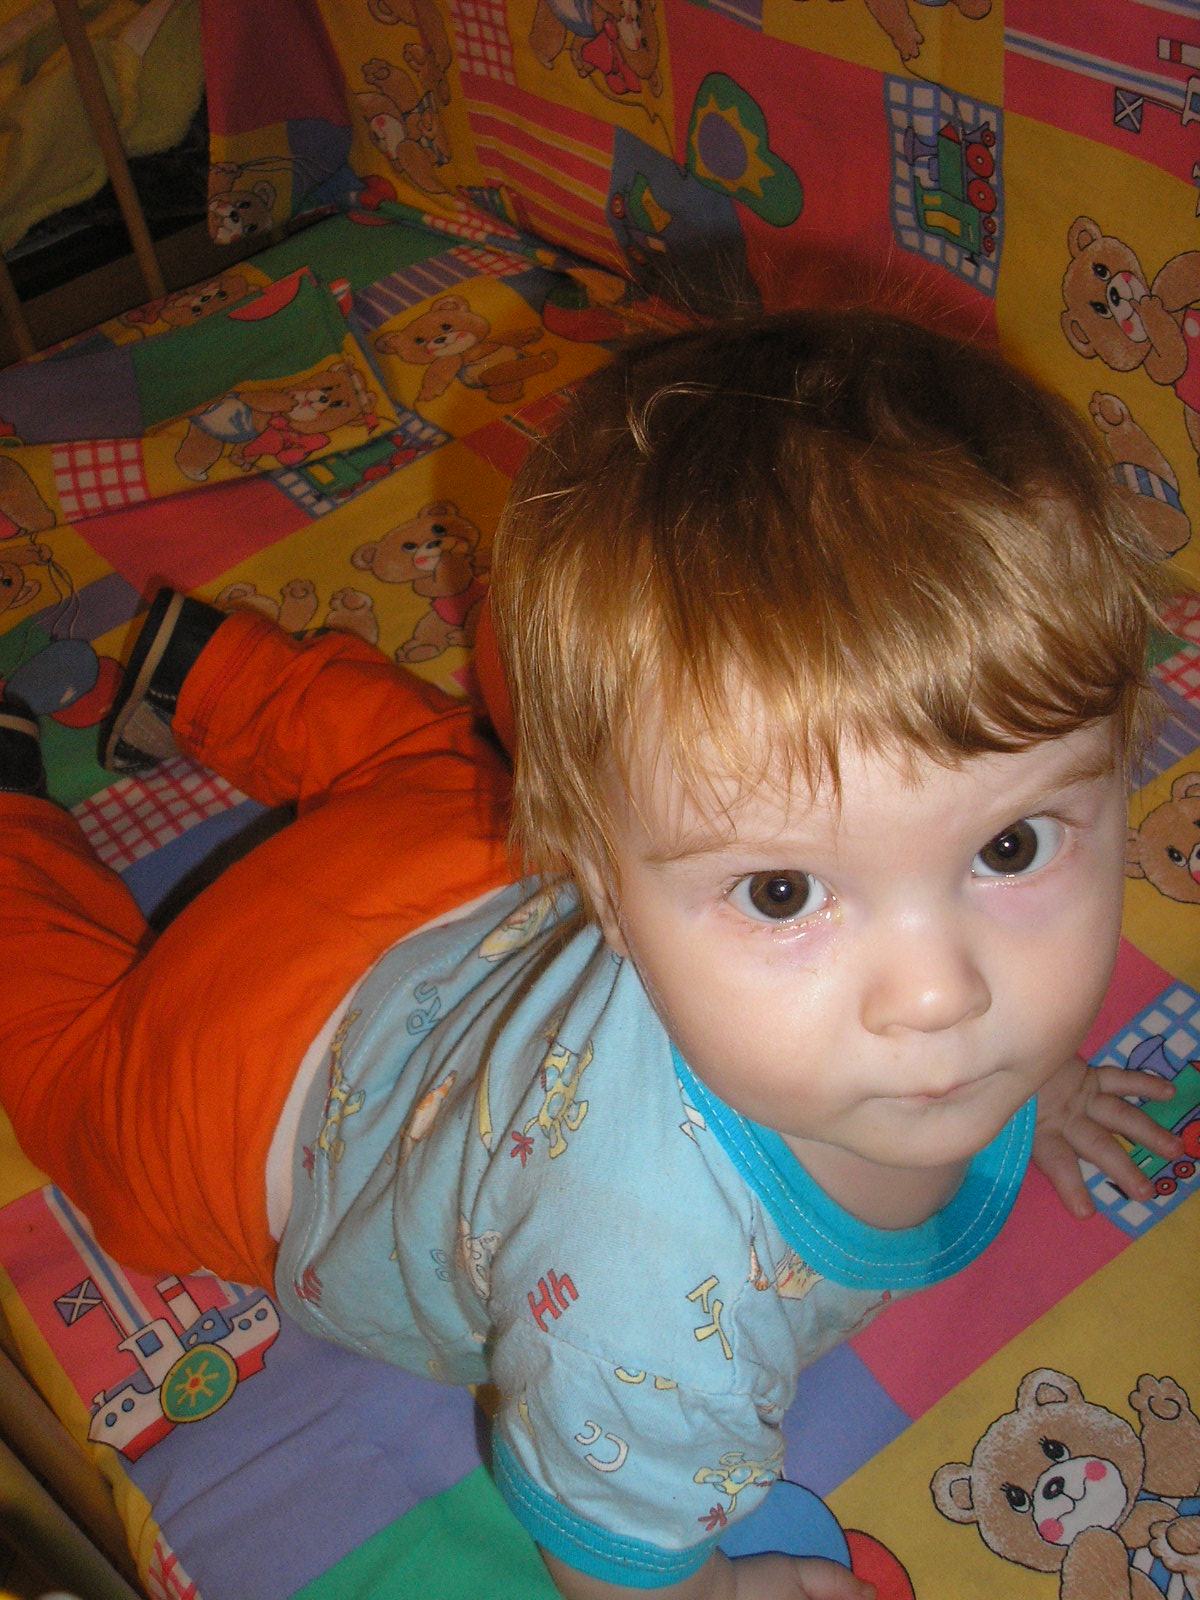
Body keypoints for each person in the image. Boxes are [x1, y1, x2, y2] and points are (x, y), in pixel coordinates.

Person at [0, 311, 1185, 1600]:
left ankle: (216, 674)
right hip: (238, 1097)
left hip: (448, 871)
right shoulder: (655, 1309)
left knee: (437, 768)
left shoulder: (641, 857)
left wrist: (1046, 1077)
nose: (943, 992)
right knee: (73, 1082)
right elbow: (608, 1553)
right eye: (783, 890)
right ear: (609, 891)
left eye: (1009, 847)